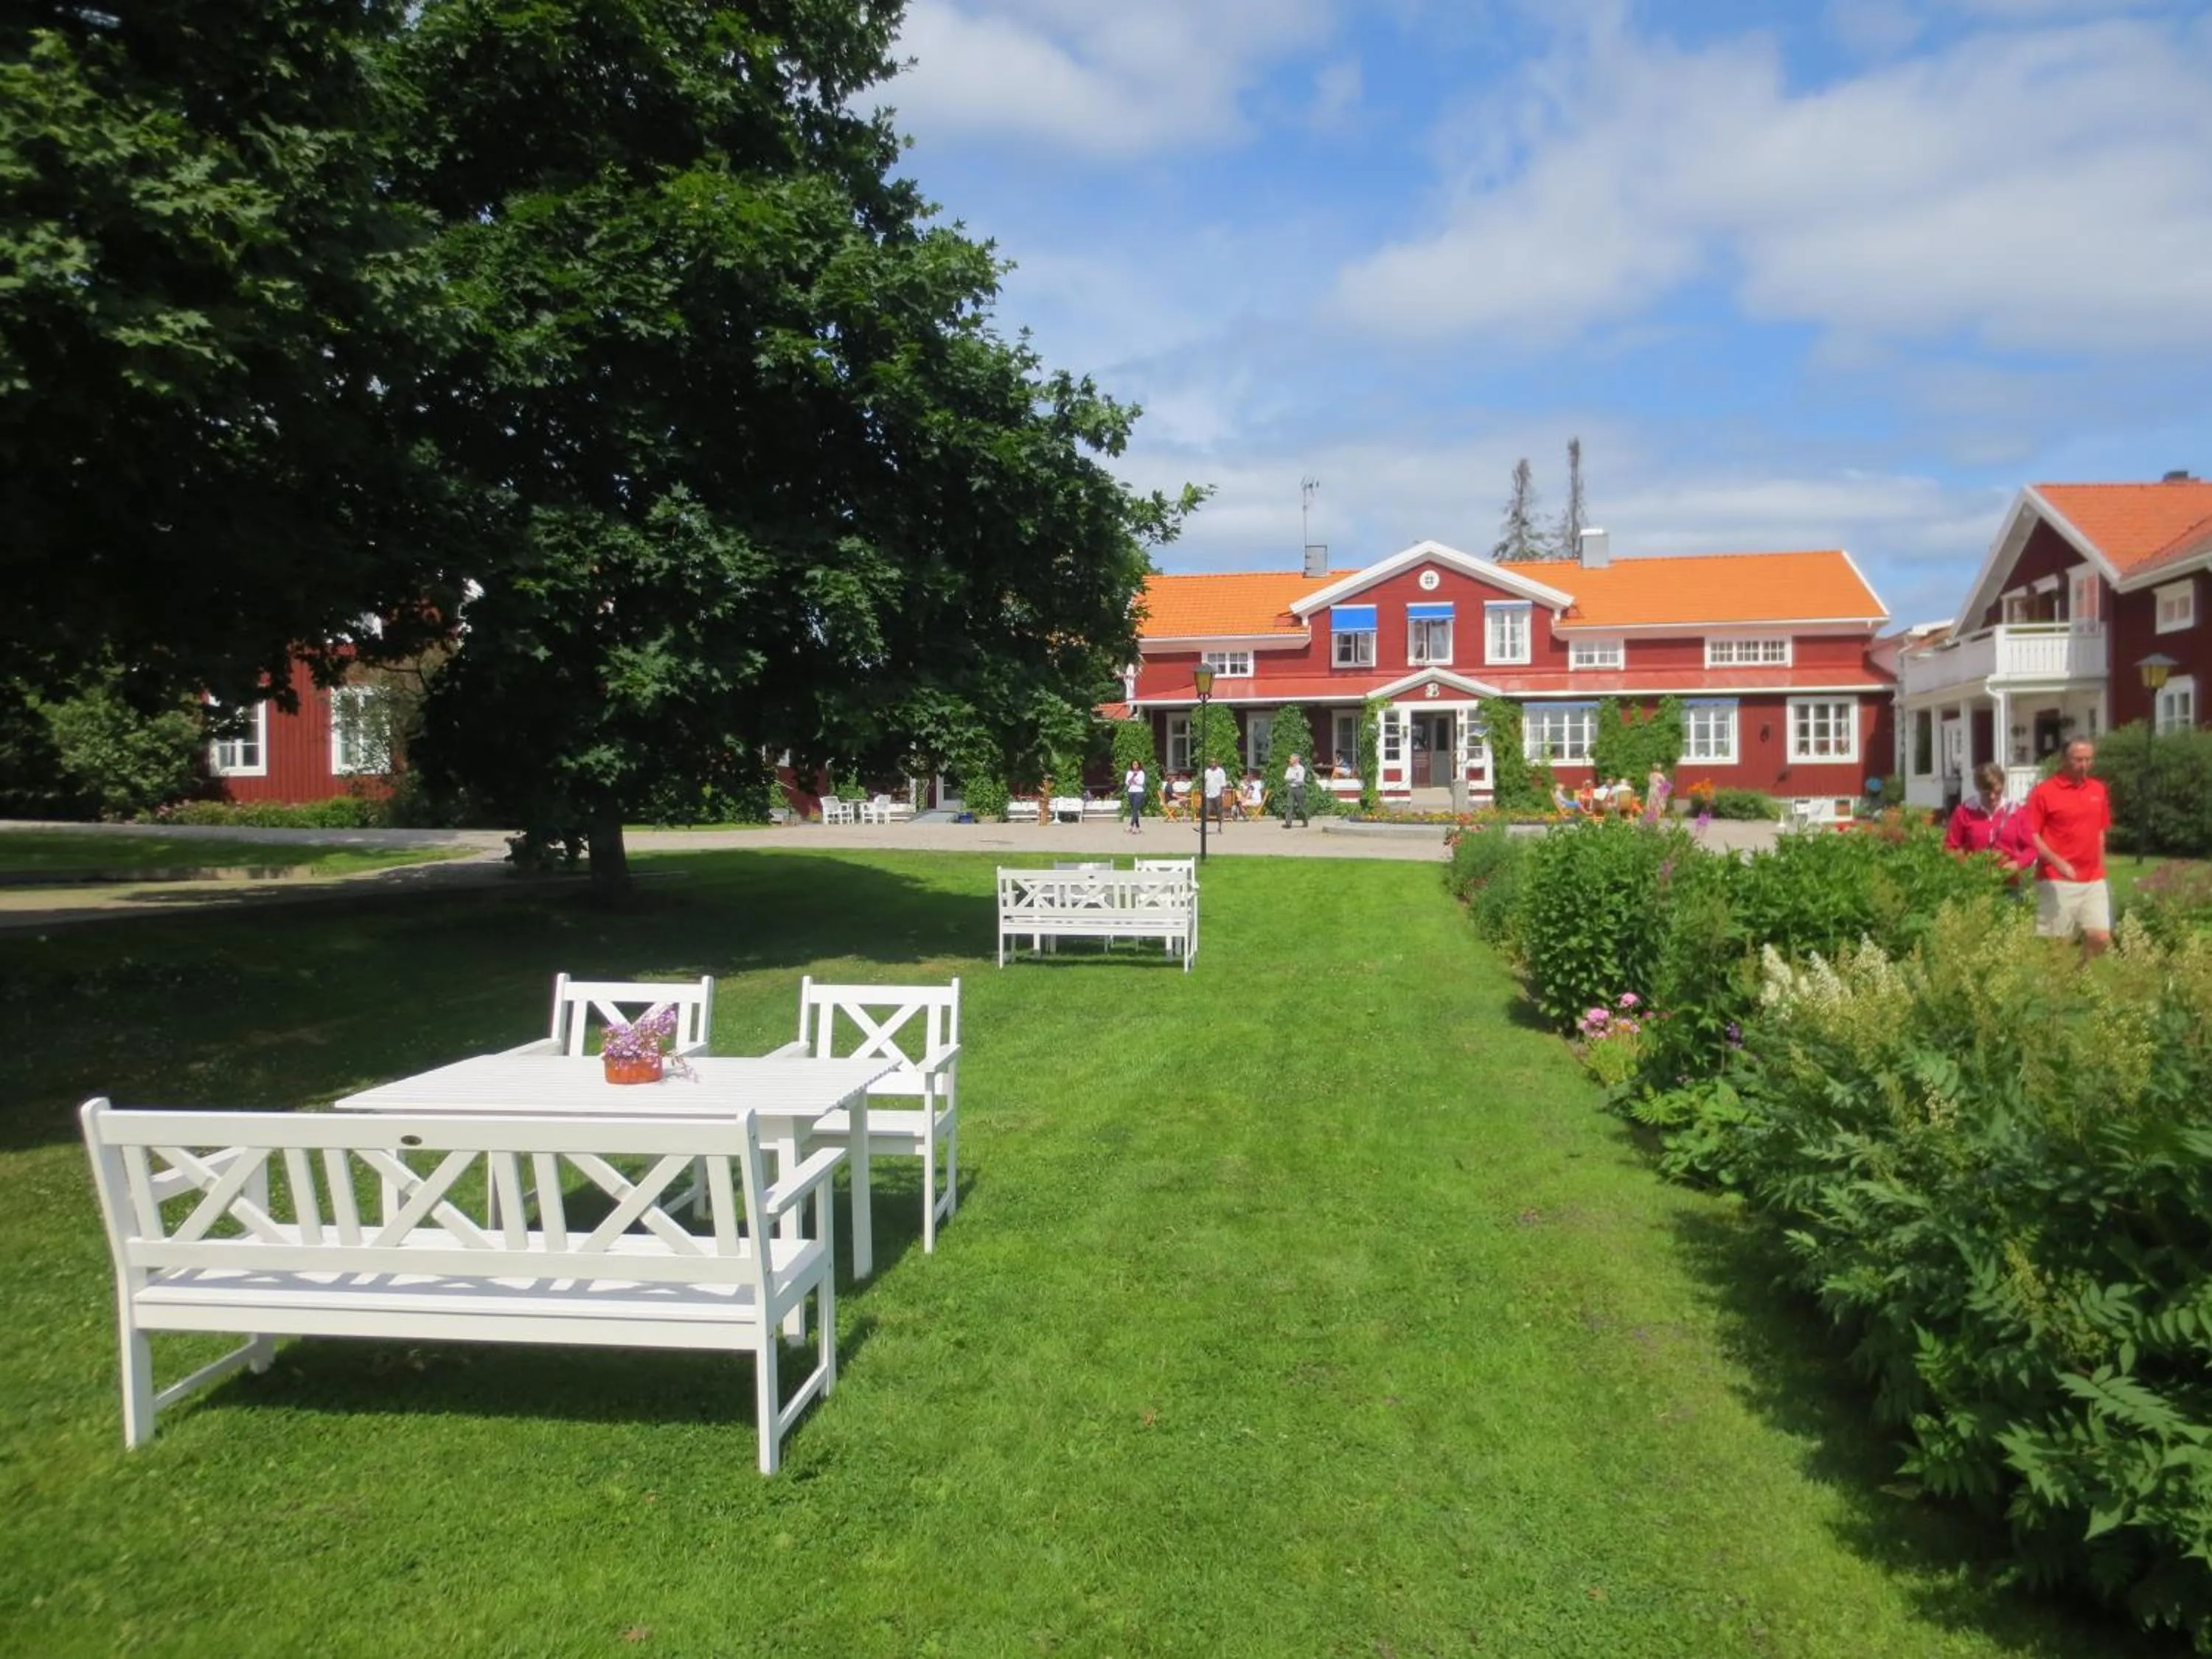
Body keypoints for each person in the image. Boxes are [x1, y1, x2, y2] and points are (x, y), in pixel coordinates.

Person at [2025, 739, 2112, 954]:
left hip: (2093, 878)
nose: (2084, 765)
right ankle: (2058, 983)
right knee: (2057, 945)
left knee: (2100, 937)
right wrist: (2057, 861)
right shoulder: (2044, 792)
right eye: (2078, 760)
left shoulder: (2097, 789)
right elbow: (2031, 834)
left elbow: (2100, 830)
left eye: (2089, 760)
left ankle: (2078, 973)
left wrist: (2100, 864)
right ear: (2064, 760)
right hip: (2057, 877)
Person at [1945, 762, 2034, 877]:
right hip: (1975, 880)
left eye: (1998, 792)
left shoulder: (2016, 812)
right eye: (1987, 793)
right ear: (1978, 788)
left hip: (2009, 881)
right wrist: (1964, 864)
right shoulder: (1964, 812)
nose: (1992, 797)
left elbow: (2031, 848)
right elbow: (1950, 847)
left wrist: (2017, 864)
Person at [1282, 753, 1310, 827]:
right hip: (1291, 789)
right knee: (1289, 806)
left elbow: (1300, 780)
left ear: (1296, 760)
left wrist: (1291, 779)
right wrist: (1294, 778)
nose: (1290, 760)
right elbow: (1286, 778)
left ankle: (1305, 821)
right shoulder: (1290, 768)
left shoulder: (1301, 768)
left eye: (1291, 759)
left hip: (1299, 789)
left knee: (1301, 807)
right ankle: (1288, 823)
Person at [1202, 758, 1228, 830]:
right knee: (1207, 810)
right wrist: (1204, 791)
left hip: (1218, 794)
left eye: (1214, 762)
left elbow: (1223, 783)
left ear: (1217, 763)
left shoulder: (1221, 771)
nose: (1213, 763)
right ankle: (1203, 827)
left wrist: (1221, 793)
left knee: (1219, 812)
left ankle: (1219, 827)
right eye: (1211, 762)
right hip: (1209, 794)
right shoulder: (1207, 771)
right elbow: (1205, 781)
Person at [1124, 758, 1147, 835]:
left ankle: (1131, 826)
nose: (1135, 766)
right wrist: (1133, 778)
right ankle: (1138, 827)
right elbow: (1127, 783)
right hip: (1131, 792)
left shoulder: (1141, 773)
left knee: (1135, 809)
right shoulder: (1129, 773)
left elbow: (1141, 782)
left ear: (1139, 765)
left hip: (1139, 792)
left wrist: (1134, 781)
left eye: (1136, 764)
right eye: (1134, 764)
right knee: (1134, 810)